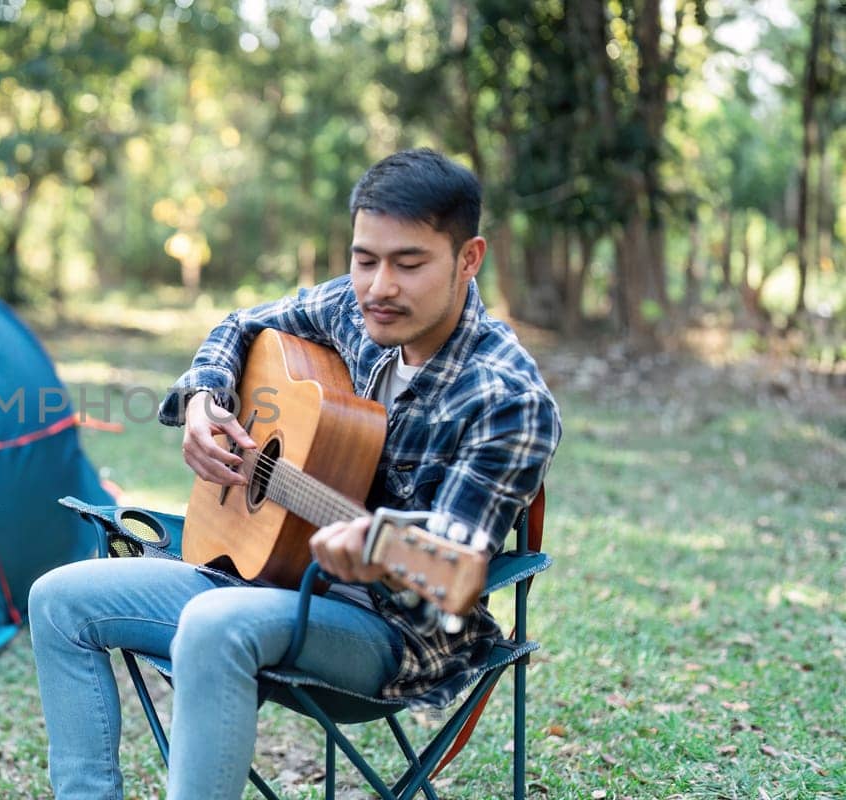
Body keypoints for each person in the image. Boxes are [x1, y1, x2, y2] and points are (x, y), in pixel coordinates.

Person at [29, 149, 561, 799]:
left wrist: (376, 548)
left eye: (409, 263)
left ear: (468, 259)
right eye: (364, 260)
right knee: (59, 599)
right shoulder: (355, 310)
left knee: (215, 622)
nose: (378, 287)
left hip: (394, 632)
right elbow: (242, 323)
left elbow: (451, 570)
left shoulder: (507, 399)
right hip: (269, 580)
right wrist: (203, 398)